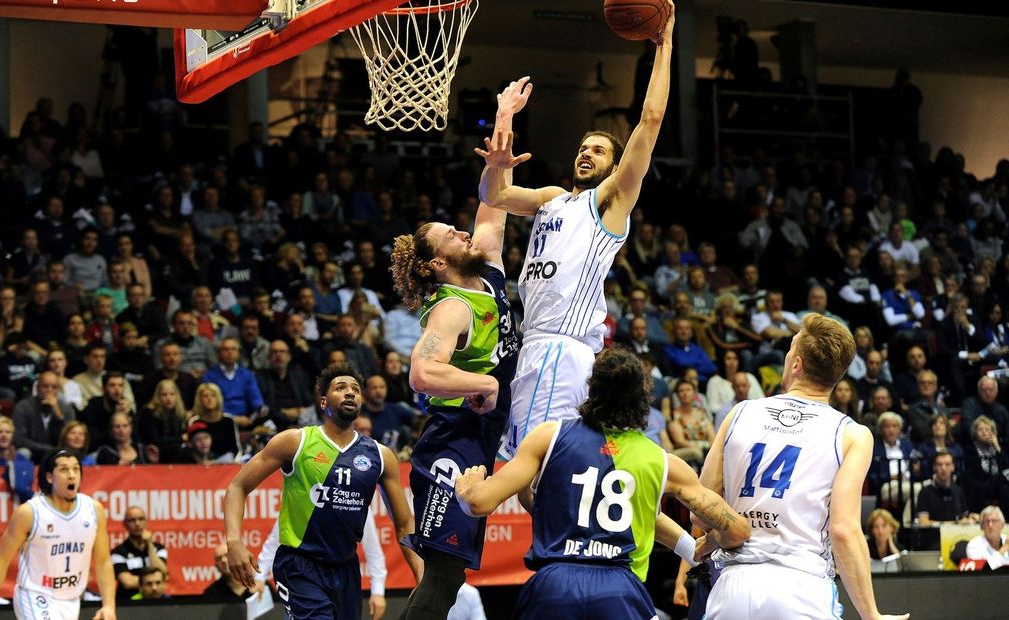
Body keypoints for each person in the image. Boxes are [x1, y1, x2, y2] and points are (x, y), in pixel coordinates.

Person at [480, 13, 674, 460]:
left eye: (599, 150)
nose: (587, 153)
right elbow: (495, 194)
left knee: (532, 465)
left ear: (614, 166)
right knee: (537, 466)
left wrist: (662, 46)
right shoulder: (553, 197)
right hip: (537, 344)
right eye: (583, 147)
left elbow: (651, 119)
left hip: (560, 347)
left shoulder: (608, 203)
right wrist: (502, 122)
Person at [454, 347, 749, 620]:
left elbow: (480, 502)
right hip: (619, 587)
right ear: (643, 397)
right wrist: (700, 545)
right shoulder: (662, 461)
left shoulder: (549, 437)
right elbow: (736, 529)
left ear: (590, 389)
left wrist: (467, 487)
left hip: (554, 585)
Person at [386, 79, 528, 620]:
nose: (462, 232)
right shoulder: (451, 307)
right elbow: (422, 373)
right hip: (453, 440)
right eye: (450, 233)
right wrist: (486, 382)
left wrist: (503, 122)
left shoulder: (486, 270)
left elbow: (492, 206)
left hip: (492, 433)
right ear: (435, 264)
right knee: (444, 577)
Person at [698, 314, 909, 620]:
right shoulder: (852, 434)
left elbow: (699, 509)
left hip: (733, 586)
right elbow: (843, 530)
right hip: (802, 585)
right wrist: (871, 615)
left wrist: (722, 535)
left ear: (796, 364)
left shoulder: (740, 413)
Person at [223, 363, 421, 619]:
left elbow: (404, 523)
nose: (350, 393)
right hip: (299, 564)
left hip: (346, 569)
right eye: (341, 388)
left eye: (356, 390)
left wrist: (421, 574)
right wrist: (233, 541)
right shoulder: (295, 441)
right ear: (324, 402)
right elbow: (238, 486)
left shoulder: (380, 456)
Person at [0, 448, 117, 620]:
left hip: (71, 599)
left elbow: (103, 561)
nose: (72, 475)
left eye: (76, 469)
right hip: (34, 594)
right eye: (64, 469)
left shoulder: (93, 510)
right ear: (50, 477)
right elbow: (1, 560)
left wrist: (109, 605)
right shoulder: (29, 513)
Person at [111, 506, 169, 600]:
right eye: (132, 520)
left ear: (146, 522)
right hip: (127, 604)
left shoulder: (158, 548)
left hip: (155, 602)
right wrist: (154, 581)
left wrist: (149, 545)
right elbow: (127, 582)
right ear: (125, 524)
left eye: (141, 519)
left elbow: (163, 575)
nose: (137, 523)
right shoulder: (118, 553)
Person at [913, 452, 976, 527]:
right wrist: (952, 524)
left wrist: (971, 519)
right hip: (934, 536)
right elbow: (923, 522)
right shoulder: (925, 492)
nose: (943, 468)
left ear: (953, 467)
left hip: (956, 535)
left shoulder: (958, 490)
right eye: (939, 465)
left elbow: (964, 518)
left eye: (947, 464)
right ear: (934, 467)